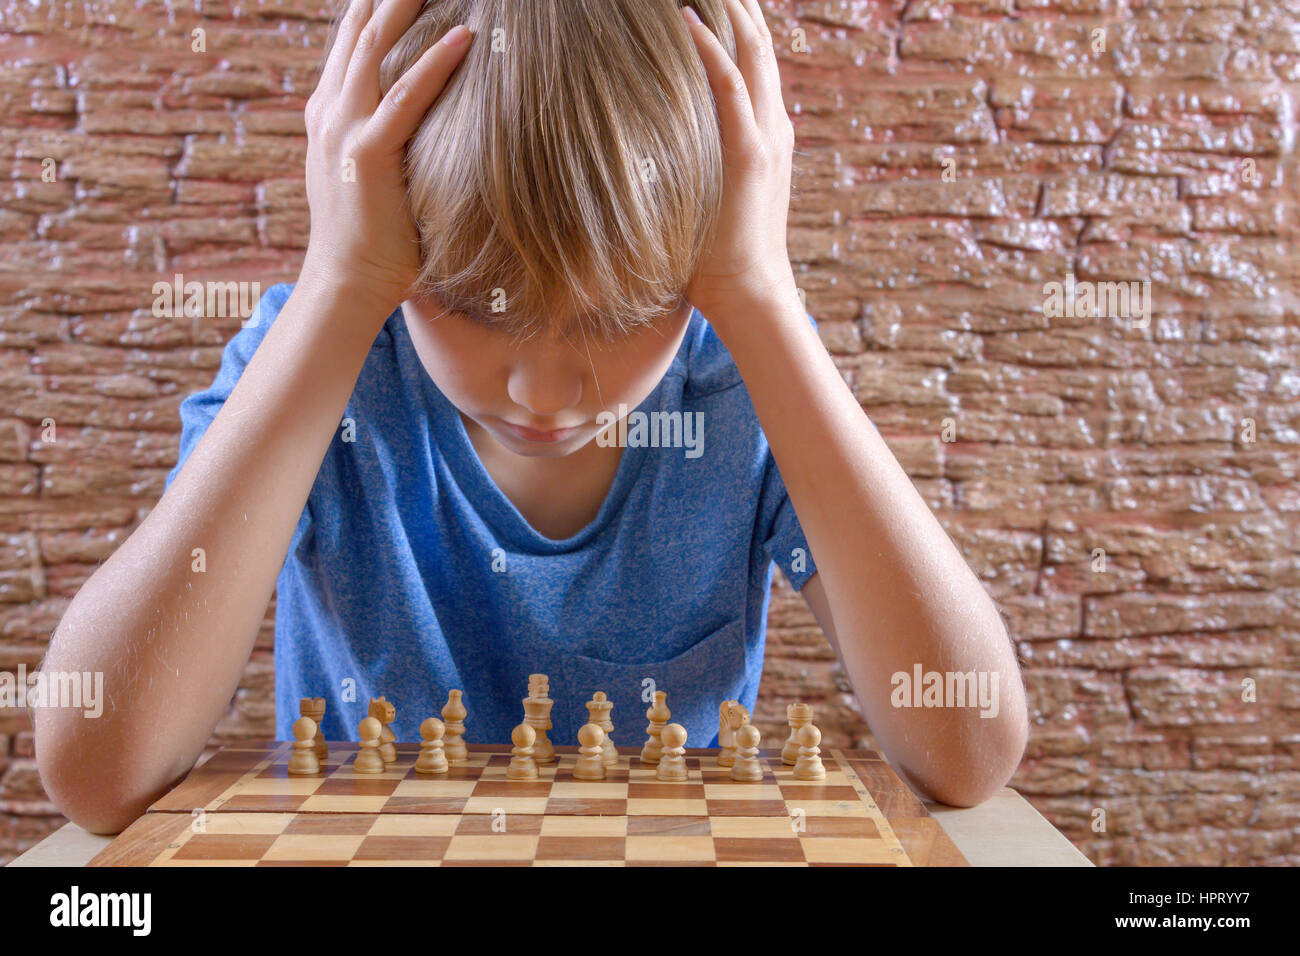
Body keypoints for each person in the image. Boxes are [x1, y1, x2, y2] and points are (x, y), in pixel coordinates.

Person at [36, 0, 1027, 834]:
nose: (544, 394)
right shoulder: (317, 366)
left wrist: (762, 295)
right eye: (470, 304)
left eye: (619, 313)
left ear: (707, 255)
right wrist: (337, 287)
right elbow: (97, 771)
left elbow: (971, 745)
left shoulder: (737, 379)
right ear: (386, 237)